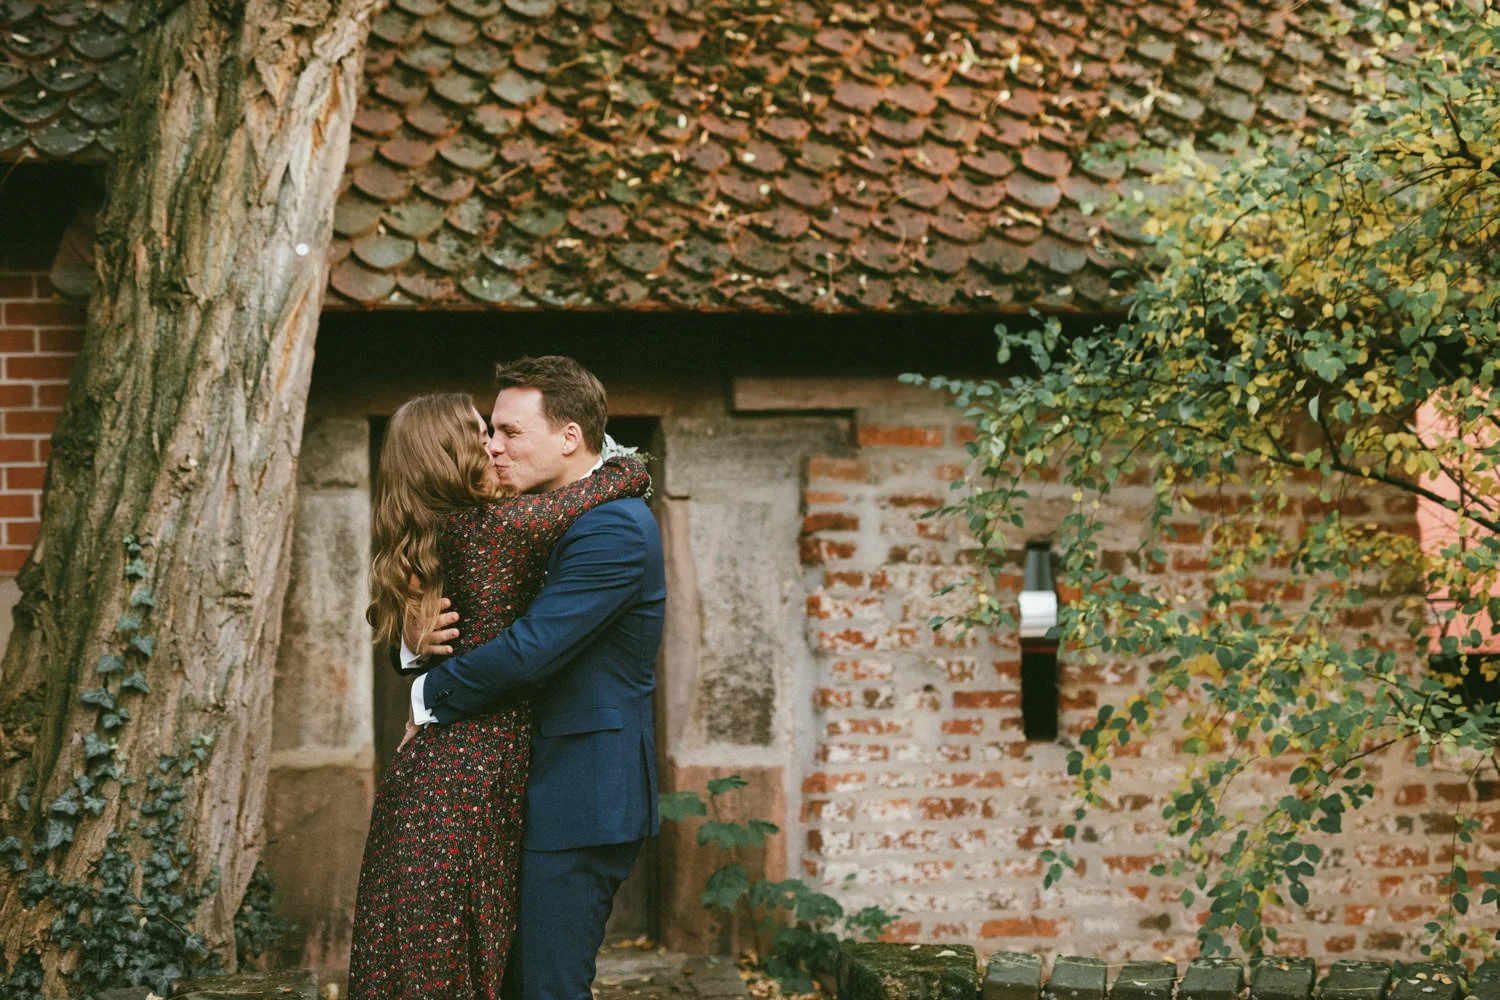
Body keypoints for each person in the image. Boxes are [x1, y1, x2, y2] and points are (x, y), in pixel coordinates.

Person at [347, 388, 651, 1000]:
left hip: (455, 773)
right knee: (455, 961)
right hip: (464, 777)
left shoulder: (444, 528)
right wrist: (626, 465)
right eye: (481, 433)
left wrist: (419, 666)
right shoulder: (497, 527)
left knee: (446, 961)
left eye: (501, 432)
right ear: (447, 453)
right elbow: (594, 488)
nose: (492, 445)